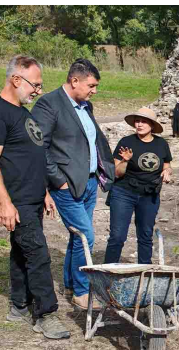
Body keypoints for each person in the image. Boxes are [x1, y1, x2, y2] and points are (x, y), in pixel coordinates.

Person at [0, 55, 66, 339]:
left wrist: (45, 192)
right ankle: (46, 314)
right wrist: (4, 203)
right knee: (38, 253)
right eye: (35, 84)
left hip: (33, 195)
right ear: (16, 79)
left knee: (21, 250)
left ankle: (19, 305)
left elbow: (31, 156)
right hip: (16, 199)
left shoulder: (23, 113)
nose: (38, 90)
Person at [33, 58, 115, 310]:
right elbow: (38, 147)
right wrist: (58, 182)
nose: (94, 91)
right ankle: (81, 292)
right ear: (74, 80)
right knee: (85, 236)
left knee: (77, 236)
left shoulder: (86, 106)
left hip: (88, 183)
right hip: (66, 186)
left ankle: (69, 284)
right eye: (91, 85)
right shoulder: (49, 104)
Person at [104, 108, 173, 265]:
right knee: (117, 236)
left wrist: (167, 171)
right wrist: (125, 161)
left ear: (152, 125)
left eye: (144, 121)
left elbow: (167, 165)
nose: (139, 124)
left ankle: (144, 271)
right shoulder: (126, 142)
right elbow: (116, 173)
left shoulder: (161, 144)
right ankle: (108, 272)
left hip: (150, 195)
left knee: (145, 235)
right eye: (137, 121)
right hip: (124, 192)